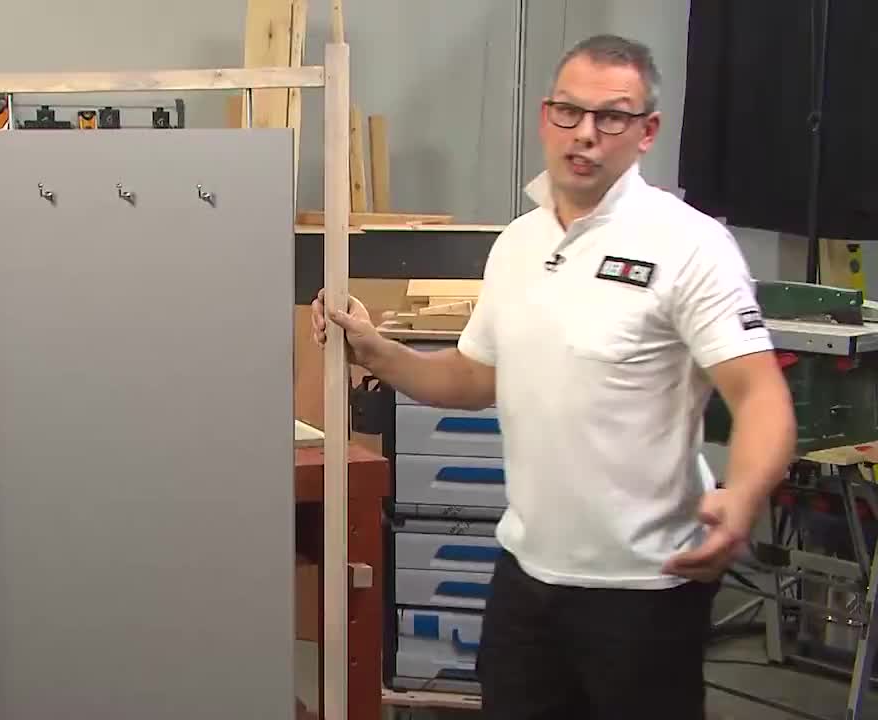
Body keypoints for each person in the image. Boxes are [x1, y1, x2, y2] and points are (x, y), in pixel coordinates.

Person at [312, 34, 796, 719]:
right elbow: (476, 376)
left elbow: (761, 396)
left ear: (647, 131)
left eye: (613, 116)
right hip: (527, 580)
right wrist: (376, 351)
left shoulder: (690, 246)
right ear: (546, 117)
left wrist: (743, 496)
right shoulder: (519, 243)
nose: (586, 133)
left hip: (646, 590)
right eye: (569, 111)